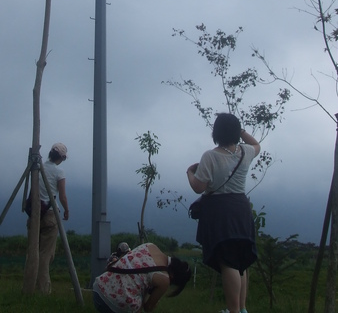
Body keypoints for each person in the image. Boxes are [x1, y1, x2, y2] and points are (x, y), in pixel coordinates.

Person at [186, 113, 260, 313]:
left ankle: (233, 311)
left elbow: (199, 188)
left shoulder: (211, 156)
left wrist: (190, 173)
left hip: (220, 211)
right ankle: (241, 309)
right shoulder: (245, 152)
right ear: (237, 132)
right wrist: (240, 130)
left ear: (216, 132)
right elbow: (257, 145)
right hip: (241, 208)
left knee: (227, 262)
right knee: (240, 261)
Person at [92, 242, 191, 313]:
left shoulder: (151, 246)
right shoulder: (164, 279)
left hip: (99, 289)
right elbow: (148, 308)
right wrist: (153, 301)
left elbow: (136, 277)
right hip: (114, 304)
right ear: (173, 276)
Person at [37, 142, 69, 294]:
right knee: (46, 254)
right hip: (50, 214)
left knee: (33, 251)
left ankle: (29, 285)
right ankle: (44, 290)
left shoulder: (38, 167)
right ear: (61, 158)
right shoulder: (59, 172)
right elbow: (62, 196)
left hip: (35, 213)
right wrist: (66, 210)